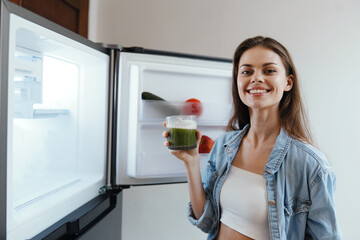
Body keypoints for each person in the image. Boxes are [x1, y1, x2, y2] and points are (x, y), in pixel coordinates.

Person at [163, 36, 342, 240]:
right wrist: (191, 162)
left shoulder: (310, 164)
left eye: (269, 70)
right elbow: (207, 221)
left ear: (288, 82)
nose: (256, 78)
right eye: (247, 71)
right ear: (238, 81)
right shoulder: (224, 145)